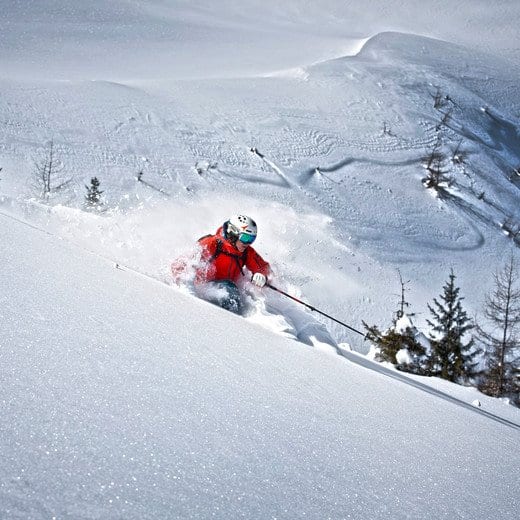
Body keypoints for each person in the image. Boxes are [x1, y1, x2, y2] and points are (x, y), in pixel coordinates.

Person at [172, 215, 271, 314]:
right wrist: (187, 287)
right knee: (229, 290)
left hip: (228, 289)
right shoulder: (211, 243)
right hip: (203, 287)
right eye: (245, 238)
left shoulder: (246, 252)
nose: (248, 243)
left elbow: (263, 267)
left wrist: (261, 275)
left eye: (252, 239)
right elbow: (183, 263)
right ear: (233, 232)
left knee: (231, 291)